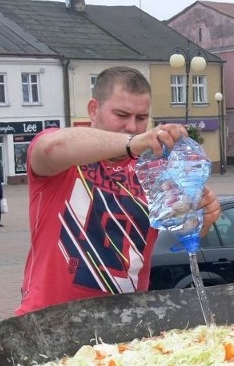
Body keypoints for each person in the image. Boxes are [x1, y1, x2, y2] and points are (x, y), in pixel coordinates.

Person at [15, 66, 221, 316]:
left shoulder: (153, 171)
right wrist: (132, 144)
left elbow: (181, 231)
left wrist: (202, 218)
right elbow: (50, 148)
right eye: (121, 114)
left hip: (124, 321)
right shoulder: (67, 154)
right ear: (93, 109)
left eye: (141, 118)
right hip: (48, 316)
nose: (132, 126)